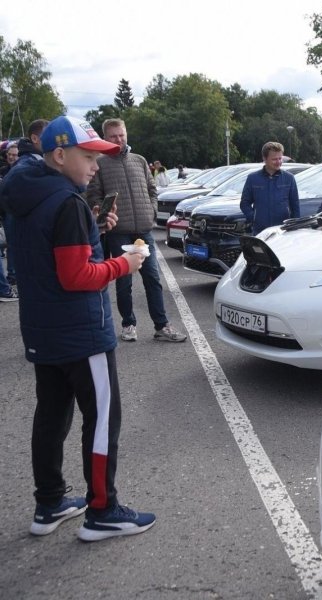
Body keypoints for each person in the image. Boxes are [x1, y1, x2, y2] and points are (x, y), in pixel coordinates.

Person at [0, 115, 156, 541]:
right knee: (103, 419)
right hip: (81, 332)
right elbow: (75, 276)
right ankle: (103, 510)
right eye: (88, 156)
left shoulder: (28, 193)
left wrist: (92, 225)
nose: (95, 165)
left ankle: (48, 503)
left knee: (50, 416)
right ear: (59, 154)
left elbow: (50, 252)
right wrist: (125, 263)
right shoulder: (66, 203)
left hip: (43, 330)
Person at [85, 118, 187, 343]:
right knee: (124, 282)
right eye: (113, 136)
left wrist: (151, 211)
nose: (119, 139)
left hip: (143, 231)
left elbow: (152, 189)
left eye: (121, 135)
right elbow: (93, 195)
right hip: (118, 232)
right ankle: (128, 324)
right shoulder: (100, 163)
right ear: (105, 138)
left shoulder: (139, 160)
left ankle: (161, 326)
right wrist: (105, 218)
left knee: (152, 278)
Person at [2, 119, 50, 286]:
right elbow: (9, 192)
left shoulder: (37, 160)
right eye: (48, 134)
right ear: (35, 139)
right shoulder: (29, 164)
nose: (53, 138)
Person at [240, 141, 299, 234]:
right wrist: (254, 218)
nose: (278, 162)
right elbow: (244, 203)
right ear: (264, 158)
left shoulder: (289, 178)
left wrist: (294, 227)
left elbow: (295, 206)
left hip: (282, 231)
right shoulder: (253, 178)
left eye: (280, 158)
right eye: (274, 159)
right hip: (260, 231)